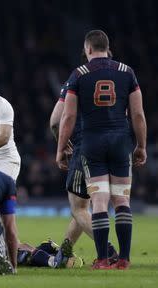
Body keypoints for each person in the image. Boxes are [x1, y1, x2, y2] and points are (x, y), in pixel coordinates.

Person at [57, 30, 147, 270]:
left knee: (98, 201)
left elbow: (68, 116)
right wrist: (142, 146)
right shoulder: (127, 72)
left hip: (92, 142)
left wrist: (59, 148)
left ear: (88, 49)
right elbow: (138, 114)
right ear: (107, 47)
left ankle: (104, 259)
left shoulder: (79, 74)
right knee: (121, 200)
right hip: (120, 141)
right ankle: (124, 259)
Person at [49, 52, 118, 262]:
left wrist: (61, 144)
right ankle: (64, 253)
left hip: (86, 146)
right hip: (115, 147)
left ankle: (108, 252)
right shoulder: (122, 77)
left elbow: (56, 120)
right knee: (85, 206)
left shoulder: (78, 77)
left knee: (78, 208)